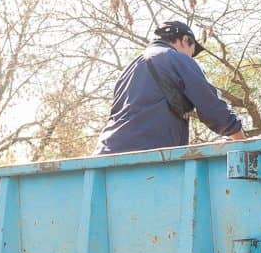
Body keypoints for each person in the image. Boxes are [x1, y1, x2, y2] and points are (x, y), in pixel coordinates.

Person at [96, 20, 245, 154]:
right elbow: (211, 107)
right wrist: (242, 142)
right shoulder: (175, 58)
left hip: (106, 154)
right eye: (191, 52)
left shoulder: (128, 68)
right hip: (146, 157)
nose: (190, 57)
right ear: (185, 40)